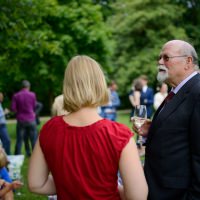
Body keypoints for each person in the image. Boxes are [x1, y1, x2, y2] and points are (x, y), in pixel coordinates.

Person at [28, 55, 148, 200]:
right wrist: (109, 187)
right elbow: (138, 196)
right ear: (100, 84)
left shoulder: (49, 129)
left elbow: (36, 183)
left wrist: (68, 184)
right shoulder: (118, 134)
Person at [133, 40, 200, 200]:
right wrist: (153, 129)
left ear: (188, 62)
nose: (160, 62)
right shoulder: (176, 91)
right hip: (160, 188)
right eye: (160, 58)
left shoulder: (197, 92)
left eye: (166, 57)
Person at [11, 80, 37, 156]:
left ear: (21, 87)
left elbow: (13, 108)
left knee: (19, 139)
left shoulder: (16, 95)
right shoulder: (32, 95)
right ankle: (35, 156)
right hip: (31, 119)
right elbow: (34, 106)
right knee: (33, 139)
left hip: (21, 120)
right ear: (28, 87)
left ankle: (17, 156)